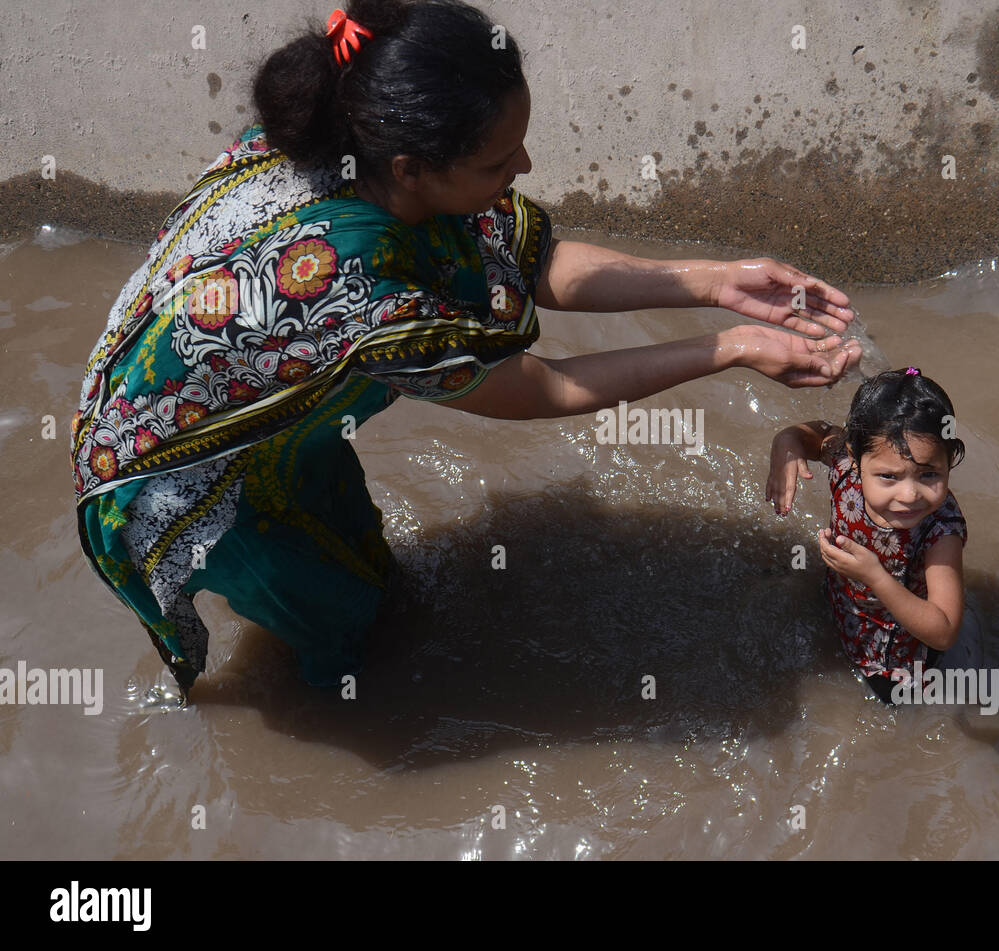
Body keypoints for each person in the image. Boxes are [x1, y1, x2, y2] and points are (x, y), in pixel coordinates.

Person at [71, 0, 862, 700]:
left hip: (245, 399)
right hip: (176, 470)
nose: (523, 170)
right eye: (497, 162)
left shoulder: (351, 140)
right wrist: (728, 348)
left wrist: (717, 282)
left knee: (356, 549)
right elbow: (543, 389)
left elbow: (538, 261)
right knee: (342, 620)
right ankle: (329, 702)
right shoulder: (354, 295)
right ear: (414, 170)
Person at [765, 367, 968, 703]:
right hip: (841, 600)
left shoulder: (940, 529)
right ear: (856, 461)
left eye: (929, 474)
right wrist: (784, 442)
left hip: (894, 657)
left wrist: (874, 576)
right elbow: (815, 434)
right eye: (889, 476)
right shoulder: (844, 464)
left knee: (896, 709)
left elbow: (944, 631)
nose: (909, 495)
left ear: (950, 462)